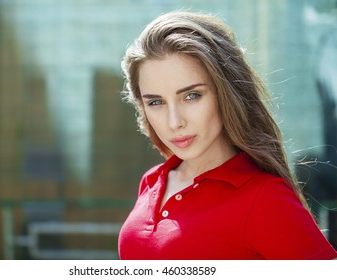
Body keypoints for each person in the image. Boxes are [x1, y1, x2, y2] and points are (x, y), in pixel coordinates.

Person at [117, 11, 337, 260]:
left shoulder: (265, 199)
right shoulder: (153, 181)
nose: (174, 122)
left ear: (226, 94)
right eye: (156, 102)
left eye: (191, 96)